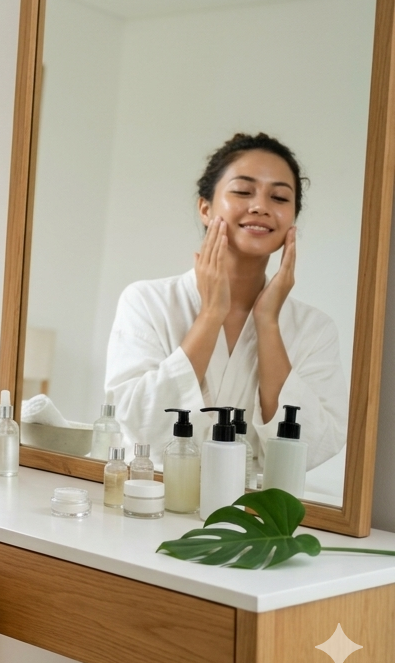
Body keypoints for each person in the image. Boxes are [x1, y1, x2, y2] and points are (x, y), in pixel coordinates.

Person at [105, 133, 348, 471]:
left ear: (292, 218)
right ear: (205, 208)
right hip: (148, 496)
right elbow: (137, 425)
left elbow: (313, 447)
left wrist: (268, 324)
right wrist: (210, 314)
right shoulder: (148, 302)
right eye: (243, 191)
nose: (261, 206)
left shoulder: (315, 329)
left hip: (252, 506)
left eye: (279, 197)